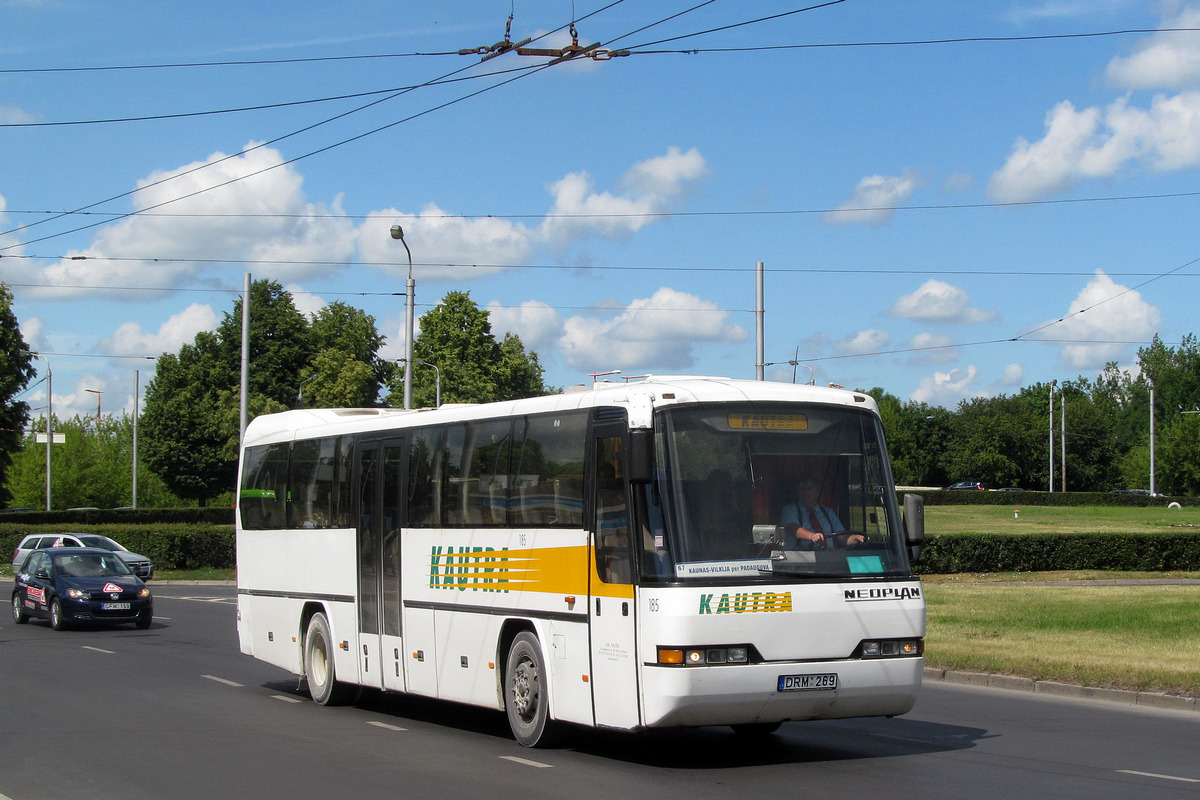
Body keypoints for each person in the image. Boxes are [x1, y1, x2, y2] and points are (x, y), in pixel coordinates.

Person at [779, 476, 864, 549]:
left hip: (829, 559)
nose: (805, 493)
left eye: (809, 489)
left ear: (817, 492)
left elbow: (841, 537)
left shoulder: (827, 512)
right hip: (800, 561)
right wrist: (812, 536)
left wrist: (856, 538)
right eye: (802, 489)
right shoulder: (789, 510)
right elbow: (794, 529)